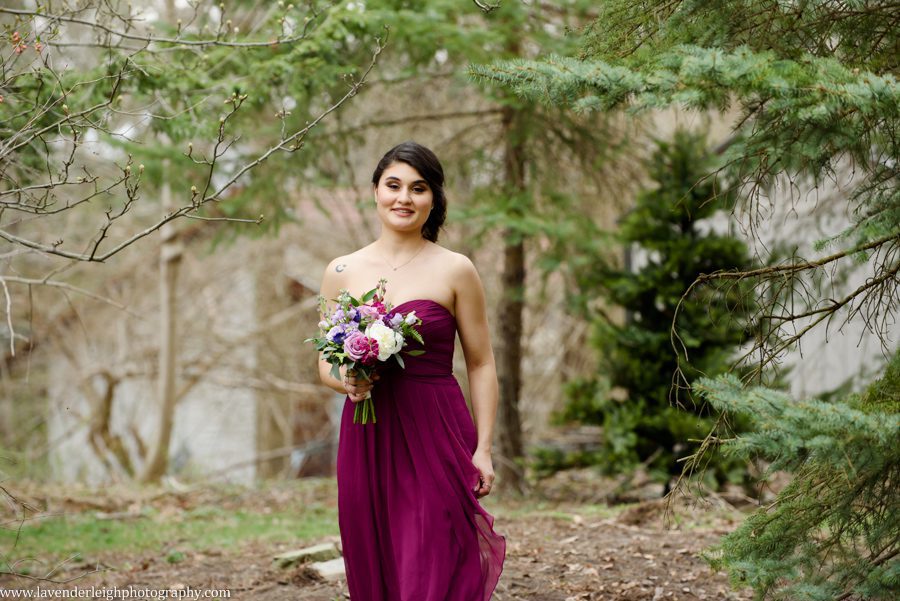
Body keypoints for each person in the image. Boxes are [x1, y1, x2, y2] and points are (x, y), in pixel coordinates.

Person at [316, 141, 506, 600]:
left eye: (418, 188)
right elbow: (324, 361)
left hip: (437, 429)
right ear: (375, 192)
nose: (404, 198)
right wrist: (347, 381)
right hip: (369, 431)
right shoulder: (341, 270)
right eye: (394, 185)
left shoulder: (456, 269)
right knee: (376, 549)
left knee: (435, 550)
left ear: (434, 199)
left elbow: (480, 363)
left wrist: (483, 448)